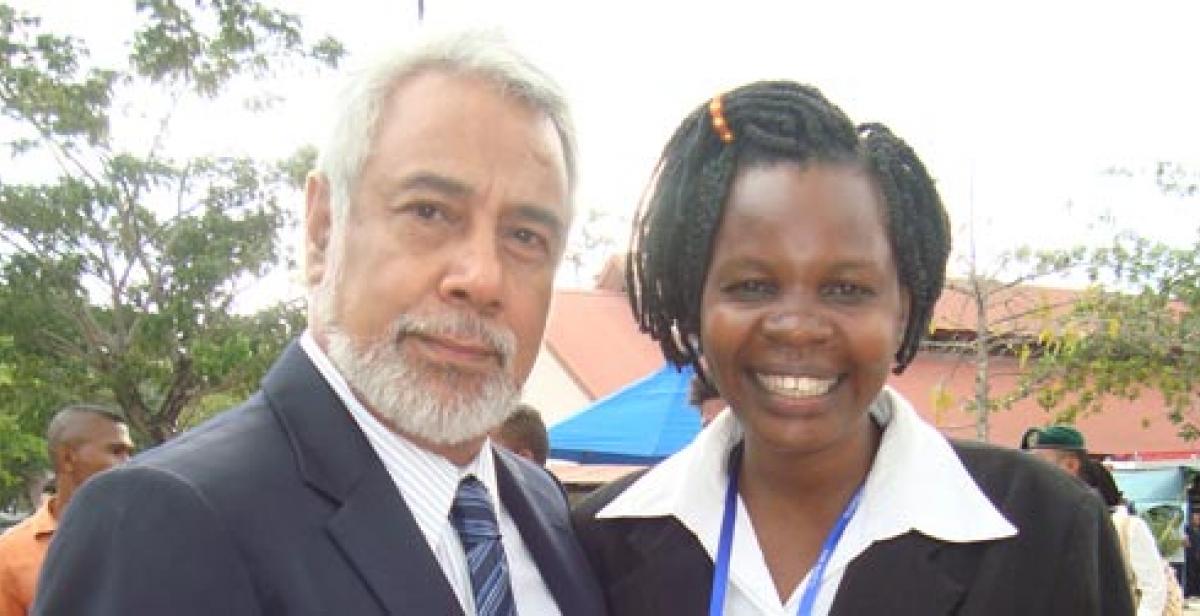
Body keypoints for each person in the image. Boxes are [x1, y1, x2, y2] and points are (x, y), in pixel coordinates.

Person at [35, 31, 604, 616]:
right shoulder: (162, 522)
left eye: (525, 237)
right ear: (322, 229)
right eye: (429, 212)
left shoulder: (544, 508)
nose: (481, 278)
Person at [572, 80, 1133, 615]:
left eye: (846, 289)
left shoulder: (1047, 529)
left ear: (903, 311)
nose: (797, 327)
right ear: (697, 306)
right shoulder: (598, 542)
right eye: (751, 286)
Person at [0, 405, 133, 616]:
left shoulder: (143, 537)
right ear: (68, 458)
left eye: (130, 453)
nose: (129, 464)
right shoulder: (11, 554)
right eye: (116, 451)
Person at [1031, 426, 1169, 616]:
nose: (1032, 471)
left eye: (1039, 462)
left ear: (1071, 465)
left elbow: (1154, 589)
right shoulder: (1044, 523)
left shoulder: (1127, 527)